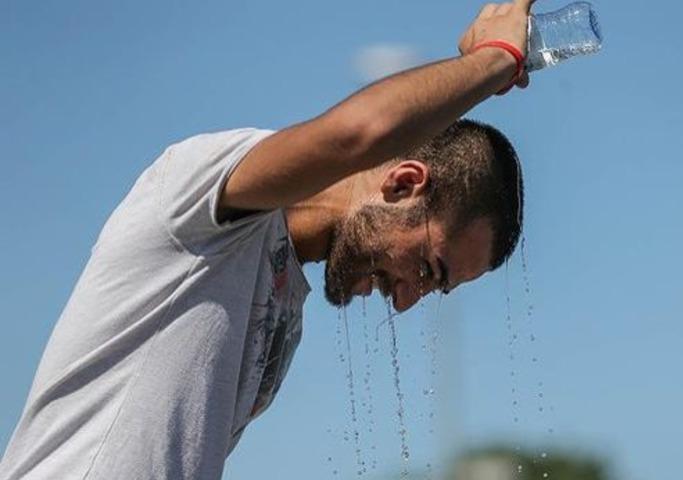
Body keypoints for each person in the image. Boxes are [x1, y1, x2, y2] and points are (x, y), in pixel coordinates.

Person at [0, 1, 535, 478]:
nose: (404, 299)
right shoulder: (204, 196)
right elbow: (358, 135)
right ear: (403, 184)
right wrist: (495, 60)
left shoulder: (285, 314)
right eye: (427, 267)